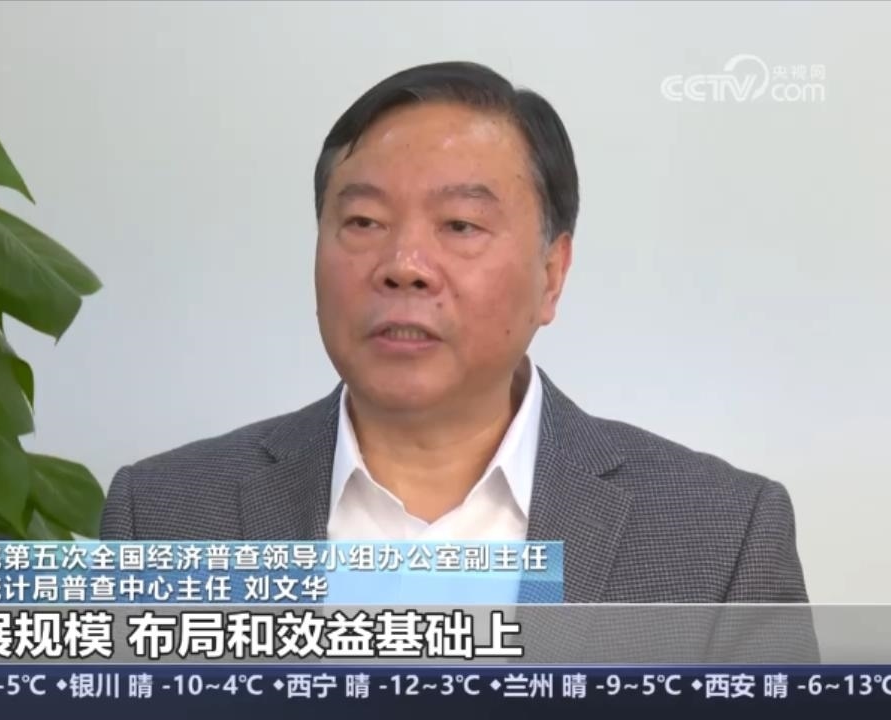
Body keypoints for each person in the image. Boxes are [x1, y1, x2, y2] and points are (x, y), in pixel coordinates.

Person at [99, 61, 809, 604]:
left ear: (552, 274)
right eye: (364, 222)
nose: (403, 266)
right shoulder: (162, 514)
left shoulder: (721, 536)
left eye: (460, 226)